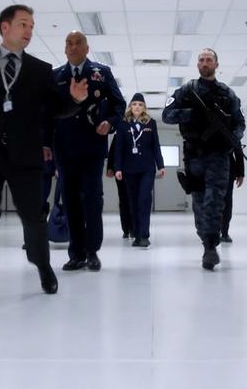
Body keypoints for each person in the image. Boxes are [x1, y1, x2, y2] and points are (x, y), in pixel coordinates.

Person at [0, 4, 88, 313]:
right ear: (5, 27)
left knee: (33, 219)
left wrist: (74, 100)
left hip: (24, 157)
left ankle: (42, 265)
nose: (30, 31)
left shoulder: (40, 70)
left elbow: (57, 107)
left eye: (31, 26)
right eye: (24, 24)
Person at [163, 48, 245, 270]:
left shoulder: (227, 94)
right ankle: (206, 239)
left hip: (219, 156)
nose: (205, 63)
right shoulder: (186, 91)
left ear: (217, 65)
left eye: (209, 60)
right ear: (197, 65)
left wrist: (232, 139)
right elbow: (167, 115)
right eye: (201, 60)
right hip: (194, 156)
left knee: (214, 201)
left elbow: (239, 123)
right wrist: (191, 114)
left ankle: (211, 246)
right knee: (199, 203)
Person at [51, 31, 125, 272]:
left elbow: (119, 105)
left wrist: (111, 123)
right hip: (64, 148)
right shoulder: (56, 76)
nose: (73, 47)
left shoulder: (101, 73)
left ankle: (92, 251)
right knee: (70, 200)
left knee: (93, 199)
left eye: (78, 43)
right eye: (68, 43)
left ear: (87, 47)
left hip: (93, 146)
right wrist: (44, 144)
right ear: (65, 49)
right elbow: (47, 113)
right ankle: (76, 253)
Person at [113, 93, 166, 248]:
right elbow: (119, 149)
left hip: (147, 169)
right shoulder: (123, 125)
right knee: (132, 202)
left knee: (144, 199)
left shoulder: (151, 123)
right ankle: (136, 234)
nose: (137, 106)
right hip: (129, 169)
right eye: (134, 104)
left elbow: (156, 145)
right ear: (130, 107)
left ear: (144, 108)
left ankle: (144, 235)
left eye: (140, 104)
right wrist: (117, 168)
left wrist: (161, 165)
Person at [105, 137, 133, 239]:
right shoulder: (119, 134)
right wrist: (110, 168)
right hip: (120, 171)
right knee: (124, 200)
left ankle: (132, 228)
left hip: (134, 170)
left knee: (132, 200)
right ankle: (126, 229)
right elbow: (112, 151)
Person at [219, 148, 244, 244]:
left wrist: (241, 173)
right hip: (210, 169)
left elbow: (238, 151)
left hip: (228, 170)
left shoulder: (230, 132)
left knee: (227, 203)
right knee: (212, 202)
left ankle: (224, 232)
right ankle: (212, 233)